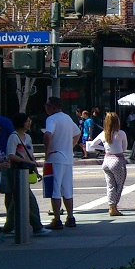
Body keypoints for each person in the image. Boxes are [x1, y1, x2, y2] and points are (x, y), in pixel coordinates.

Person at [6, 112, 49, 235]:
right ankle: (37, 226)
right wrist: (27, 161)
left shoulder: (28, 137)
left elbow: (31, 155)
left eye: (29, 121)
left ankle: (9, 227)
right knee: (28, 199)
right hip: (15, 171)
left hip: (26, 171)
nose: (29, 123)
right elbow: (11, 155)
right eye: (27, 121)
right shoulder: (13, 137)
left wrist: (35, 170)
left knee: (16, 201)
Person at [43, 96, 81, 230]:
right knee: (67, 188)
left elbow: (48, 134)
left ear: (52, 107)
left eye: (47, 105)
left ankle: (57, 219)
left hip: (55, 158)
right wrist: (70, 146)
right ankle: (70, 217)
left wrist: (46, 151)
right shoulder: (67, 118)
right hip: (67, 158)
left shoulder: (51, 119)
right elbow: (77, 133)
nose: (46, 107)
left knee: (55, 189)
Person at [87, 112, 129, 216]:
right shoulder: (121, 133)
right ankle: (114, 207)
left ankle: (111, 205)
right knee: (119, 185)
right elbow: (124, 148)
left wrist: (104, 148)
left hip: (106, 159)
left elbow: (92, 145)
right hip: (117, 160)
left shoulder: (103, 134)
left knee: (110, 185)